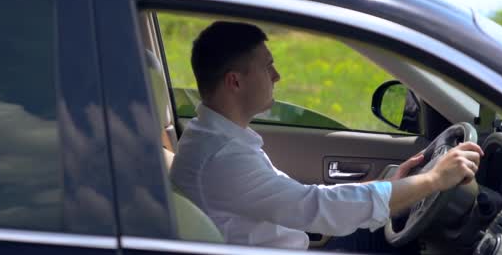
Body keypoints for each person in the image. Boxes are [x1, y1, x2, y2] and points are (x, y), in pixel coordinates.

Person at [170, 21, 483, 250]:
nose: (277, 76)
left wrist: (394, 188)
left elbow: (302, 199)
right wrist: (432, 181)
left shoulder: (215, 137)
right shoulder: (222, 156)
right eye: (268, 67)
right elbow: (313, 206)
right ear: (235, 82)